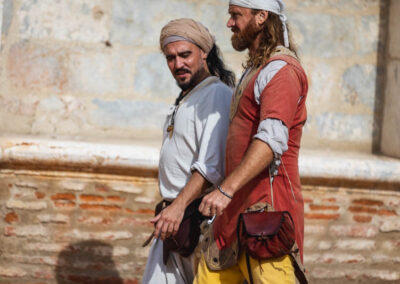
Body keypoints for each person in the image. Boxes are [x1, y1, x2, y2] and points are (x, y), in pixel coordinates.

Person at [195, 0, 308, 283]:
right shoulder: (256, 69)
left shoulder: (282, 71)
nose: (229, 23)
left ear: (261, 16)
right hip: (231, 220)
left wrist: (225, 190)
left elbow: (270, 142)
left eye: (236, 15)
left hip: (266, 219)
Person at [142, 18, 235, 284]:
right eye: (170, 58)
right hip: (175, 222)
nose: (177, 64)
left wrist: (179, 207)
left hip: (197, 224)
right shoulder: (189, 97)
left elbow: (211, 166)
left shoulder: (216, 94)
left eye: (185, 55)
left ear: (204, 53)